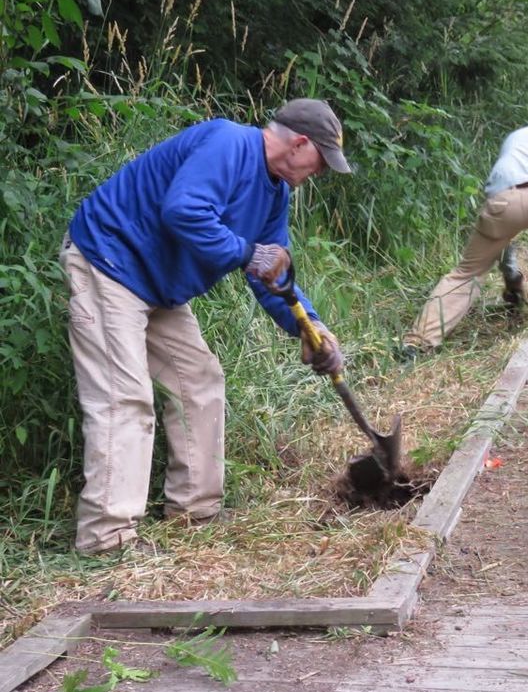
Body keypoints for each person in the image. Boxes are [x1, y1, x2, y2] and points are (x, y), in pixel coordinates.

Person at [61, 98, 350, 555]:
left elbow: (273, 272)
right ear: (299, 143)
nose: (318, 174)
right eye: (320, 163)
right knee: (125, 397)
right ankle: (106, 538)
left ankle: (195, 512)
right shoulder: (229, 142)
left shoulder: (275, 193)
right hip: (110, 263)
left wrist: (310, 327)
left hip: (159, 287)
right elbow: (183, 211)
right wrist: (246, 253)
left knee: (199, 381)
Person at [402, 116, 528, 353]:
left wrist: (510, 275)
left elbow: (506, 236)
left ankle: (418, 342)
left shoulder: (516, 136)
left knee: (466, 273)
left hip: (501, 202)